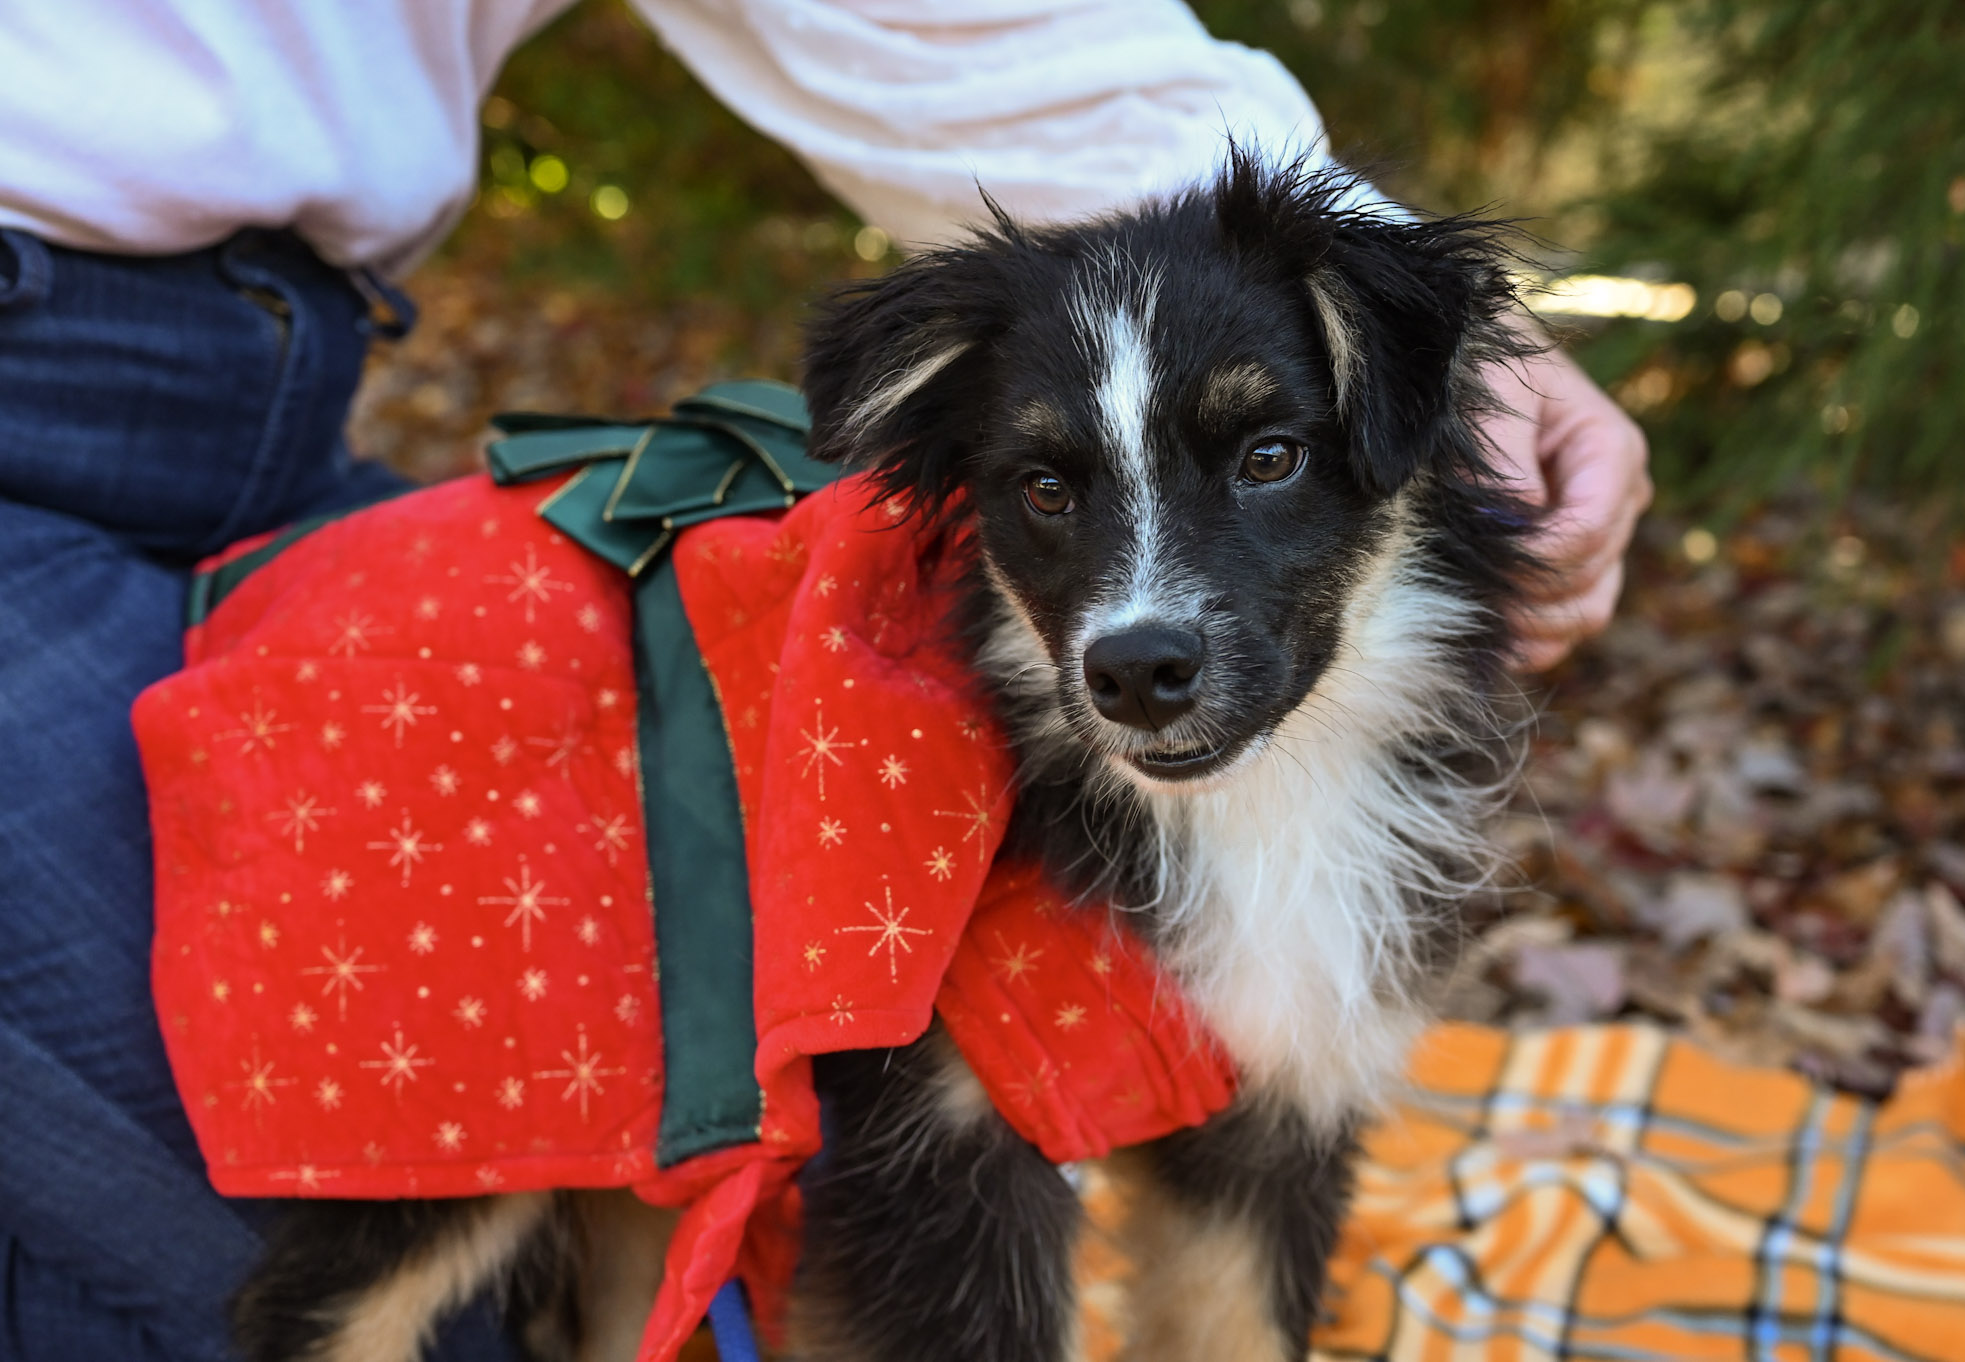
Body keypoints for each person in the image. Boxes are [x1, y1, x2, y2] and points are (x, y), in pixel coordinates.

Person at [0, 2, 1647, 1357]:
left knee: (677, 1238)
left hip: (266, 400)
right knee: (404, 1230)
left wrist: (1449, 324)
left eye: (1269, 451)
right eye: (1050, 495)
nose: (1136, 614)